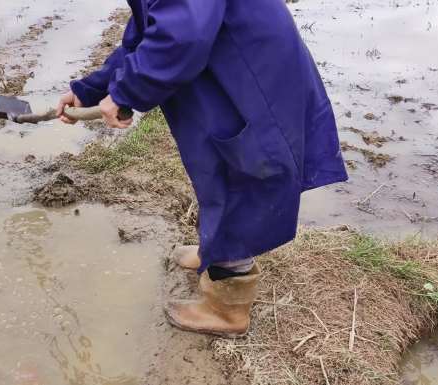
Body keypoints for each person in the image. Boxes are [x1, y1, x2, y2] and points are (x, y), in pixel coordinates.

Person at [56, 0, 348, 338]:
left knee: (242, 172)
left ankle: (228, 308)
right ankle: (214, 251)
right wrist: (89, 89)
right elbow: (148, 29)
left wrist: (126, 91)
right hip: (221, 60)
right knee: (215, 164)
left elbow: (184, 33)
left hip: (243, 68)